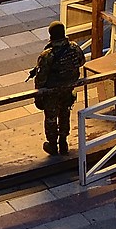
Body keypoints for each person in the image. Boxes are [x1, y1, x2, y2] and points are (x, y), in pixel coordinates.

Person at [29, 23, 85, 155]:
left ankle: (52, 145)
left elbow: (41, 79)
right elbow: (82, 62)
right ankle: (63, 141)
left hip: (52, 92)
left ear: (51, 35)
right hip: (68, 89)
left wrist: (38, 95)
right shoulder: (74, 47)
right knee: (65, 112)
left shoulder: (47, 55)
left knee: (51, 118)